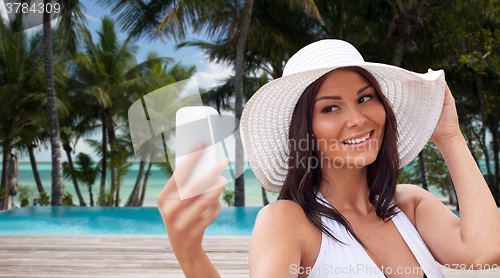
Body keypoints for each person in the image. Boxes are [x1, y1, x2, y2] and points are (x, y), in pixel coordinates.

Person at [156, 40, 500, 277]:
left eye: (365, 98)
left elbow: (485, 253)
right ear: (306, 128)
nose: (357, 119)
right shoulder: (287, 222)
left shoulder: (408, 205)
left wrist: (449, 136)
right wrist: (189, 252)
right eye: (331, 107)